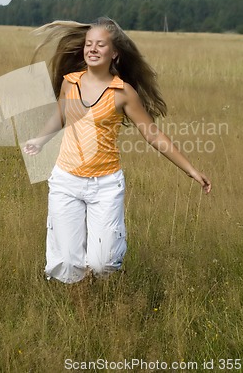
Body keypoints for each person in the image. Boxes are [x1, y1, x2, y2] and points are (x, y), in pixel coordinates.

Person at [23, 17, 211, 284]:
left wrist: (191, 169)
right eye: (89, 44)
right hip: (66, 180)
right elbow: (61, 115)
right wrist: (40, 140)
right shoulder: (70, 83)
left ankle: (95, 276)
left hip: (105, 185)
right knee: (66, 263)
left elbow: (152, 134)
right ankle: (81, 306)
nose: (93, 49)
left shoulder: (123, 93)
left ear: (114, 53)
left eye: (101, 45)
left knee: (102, 264)